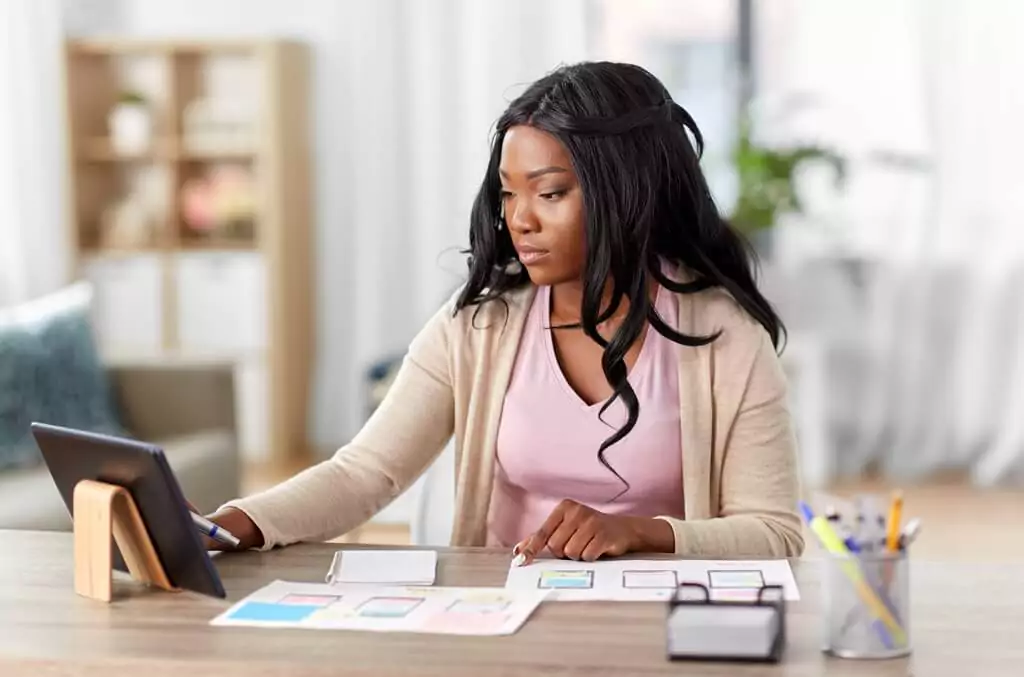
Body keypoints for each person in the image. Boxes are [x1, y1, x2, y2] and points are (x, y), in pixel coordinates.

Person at [203, 61, 804, 563]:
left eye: (549, 194)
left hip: (659, 620)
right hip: (505, 613)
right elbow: (365, 474)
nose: (520, 219)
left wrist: (642, 530)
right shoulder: (478, 328)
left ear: (626, 193)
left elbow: (775, 533)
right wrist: (225, 526)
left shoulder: (724, 336)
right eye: (509, 193)